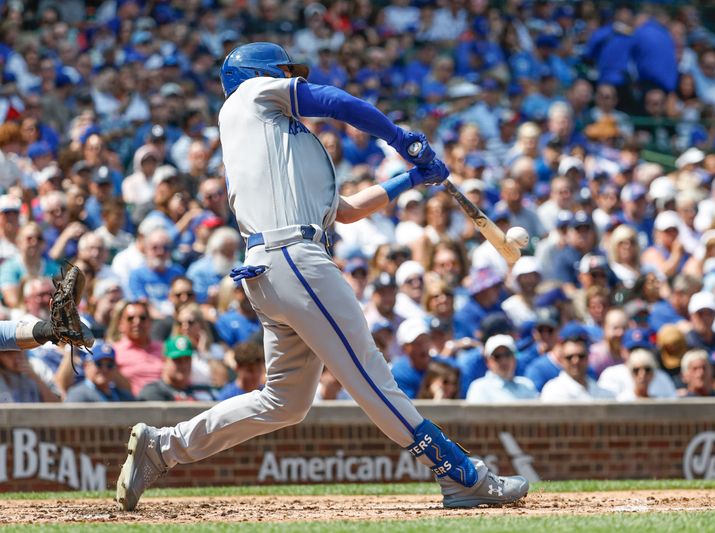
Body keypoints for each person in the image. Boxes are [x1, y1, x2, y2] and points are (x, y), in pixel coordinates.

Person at [116, 43, 527, 512]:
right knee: (372, 377)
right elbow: (335, 102)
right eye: (289, 71)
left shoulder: (279, 148)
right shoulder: (250, 97)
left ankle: (164, 447)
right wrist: (397, 136)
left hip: (276, 266)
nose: (297, 79)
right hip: (293, 257)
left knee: (285, 401)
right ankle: (461, 474)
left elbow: (347, 212)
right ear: (259, 72)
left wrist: (412, 178)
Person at [540, 323, 615, 402]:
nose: (575, 361)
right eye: (569, 357)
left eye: (581, 356)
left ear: (588, 357)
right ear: (561, 359)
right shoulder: (553, 390)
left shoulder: (603, 393)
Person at [137, 335, 216, 402]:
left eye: (187, 359)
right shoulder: (153, 391)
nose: (183, 365)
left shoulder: (200, 391)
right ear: (164, 361)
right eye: (177, 360)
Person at [465, 334, 538, 403]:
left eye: (508, 354)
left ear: (514, 358)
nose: (504, 361)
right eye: (497, 356)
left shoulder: (527, 385)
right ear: (488, 361)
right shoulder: (479, 388)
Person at [64, 342, 136, 403]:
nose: (104, 369)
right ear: (86, 366)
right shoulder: (77, 394)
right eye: (99, 364)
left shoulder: (122, 395)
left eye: (109, 365)